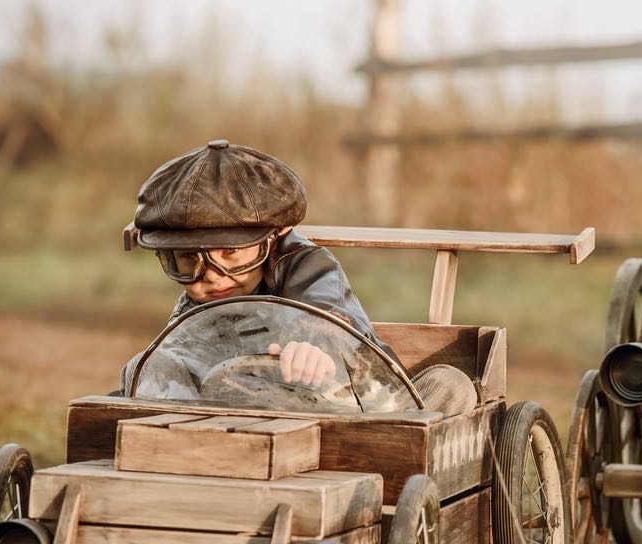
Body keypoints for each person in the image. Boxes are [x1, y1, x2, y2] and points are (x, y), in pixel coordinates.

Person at [120, 139, 476, 415]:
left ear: (276, 234)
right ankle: (173, 458)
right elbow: (180, 358)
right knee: (142, 367)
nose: (212, 277)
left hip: (357, 406)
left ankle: (406, 475)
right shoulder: (196, 302)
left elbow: (325, 314)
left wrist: (314, 347)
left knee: (452, 383)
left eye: (230, 254)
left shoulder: (307, 265)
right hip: (251, 419)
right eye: (187, 261)